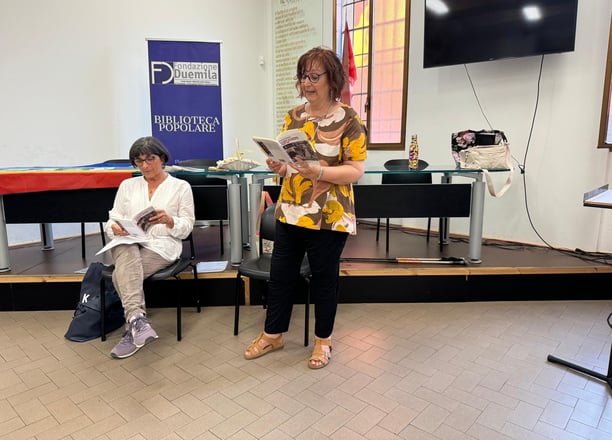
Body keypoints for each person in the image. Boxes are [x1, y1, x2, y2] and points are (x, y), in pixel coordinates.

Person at [244, 46, 367, 369]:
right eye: (303, 77)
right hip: (290, 209)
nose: (307, 84)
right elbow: (291, 166)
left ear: (333, 79)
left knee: (325, 280)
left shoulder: (350, 119)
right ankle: (273, 334)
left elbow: (356, 170)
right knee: (281, 276)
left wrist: (322, 172)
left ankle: (323, 342)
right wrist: (279, 166)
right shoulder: (295, 116)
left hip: (329, 215)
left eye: (314, 76)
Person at [105, 136, 195, 359]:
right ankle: (137, 321)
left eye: (150, 159)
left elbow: (187, 227)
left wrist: (170, 221)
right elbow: (112, 219)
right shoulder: (128, 185)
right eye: (139, 161)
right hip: (129, 242)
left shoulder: (180, 187)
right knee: (126, 249)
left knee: (121, 275)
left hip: (162, 246)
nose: (145, 166)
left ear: (162, 158)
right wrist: (116, 228)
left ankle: (132, 325)